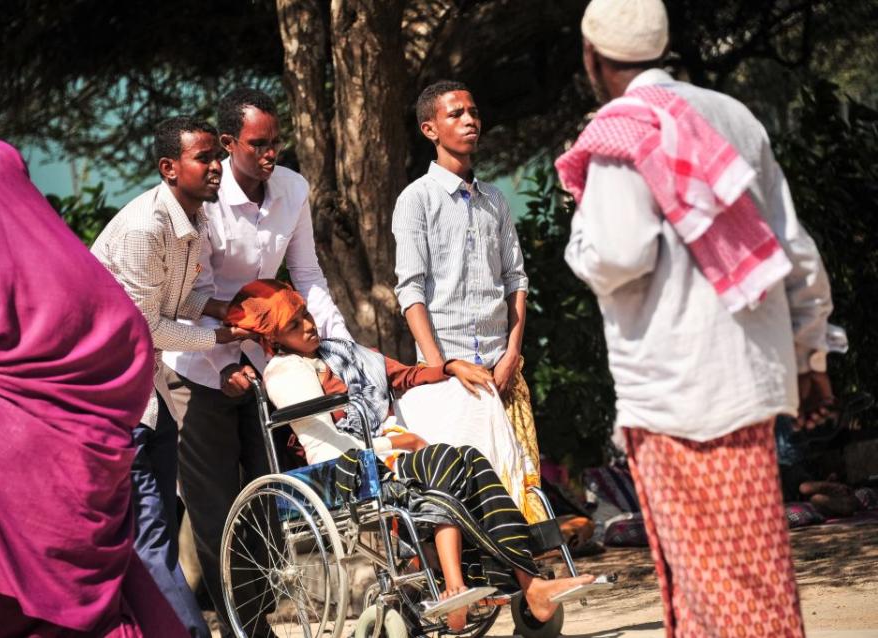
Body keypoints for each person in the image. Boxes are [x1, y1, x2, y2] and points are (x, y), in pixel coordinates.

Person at [559, 0, 835, 635]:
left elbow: (616, 255)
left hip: (677, 395)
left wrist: (578, 244)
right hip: (749, 379)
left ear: (593, 56)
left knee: (716, 586)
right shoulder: (730, 115)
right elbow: (794, 250)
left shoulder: (619, 131)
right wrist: (811, 355)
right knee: (747, 574)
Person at [0, 140, 187, 636]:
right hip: (78, 470)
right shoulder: (64, 261)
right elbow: (130, 333)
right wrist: (105, 422)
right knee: (88, 615)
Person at [227, 279, 595, 632]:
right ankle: (459, 585)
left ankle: (521, 585)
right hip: (346, 468)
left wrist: (449, 367)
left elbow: (402, 375)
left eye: (306, 314)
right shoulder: (284, 372)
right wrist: (394, 446)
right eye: (295, 324)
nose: (308, 325)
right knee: (447, 462)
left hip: (382, 452)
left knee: (472, 461)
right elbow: (324, 442)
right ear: (273, 337)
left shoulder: (341, 351)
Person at [160, 87, 351, 638]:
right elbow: (190, 295)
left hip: (261, 361)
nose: (271, 154)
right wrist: (220, 364)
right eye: (257, 144)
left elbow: (308, 277)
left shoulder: (293, 188)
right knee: (217, 504)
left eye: (277, 142)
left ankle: (257, 615)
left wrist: (338, 347)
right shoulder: (204, 201)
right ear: (227, 144)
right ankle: (240, 626)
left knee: (267, 496)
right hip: (196, 364)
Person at [92, 116, 239, 637]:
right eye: (204, 157)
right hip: (116, 402)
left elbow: (179, 299)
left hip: (149, 393)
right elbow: (145, 325)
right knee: (149, 537)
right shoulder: (143, 228)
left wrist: (229, 311)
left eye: (217, 156)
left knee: (156, 534)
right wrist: (220, 338)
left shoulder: (194, 219)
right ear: (169, 168)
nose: (217, 166)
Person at [392, 80, 547, 523]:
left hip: (502, 367)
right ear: (430, 129)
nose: (469, 121)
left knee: (516, 481)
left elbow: (516, 279)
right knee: (466, 494)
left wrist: (512, 355)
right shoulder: (416, 200)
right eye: (455, 114)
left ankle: (520, 585)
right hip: (453, 372)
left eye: (473, 112)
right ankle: (476, 586)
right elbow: (411, 290)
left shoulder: (495, 200)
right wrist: (439, 368)